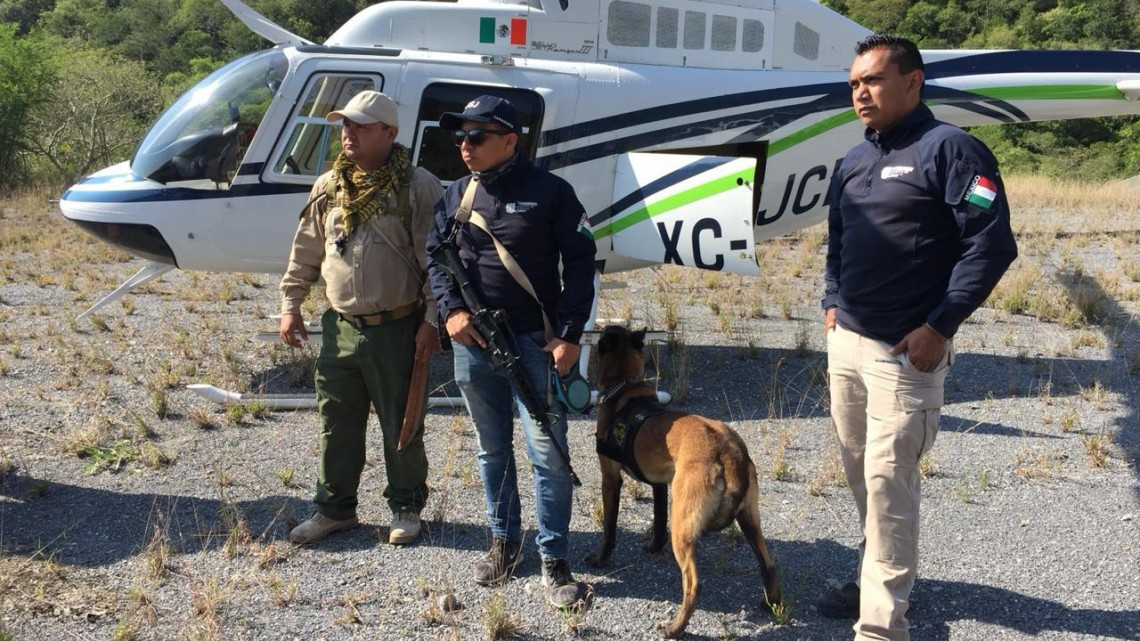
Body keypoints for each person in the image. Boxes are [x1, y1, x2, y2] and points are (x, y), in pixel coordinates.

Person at [819, 35, 1018, 640]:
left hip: (905, 353)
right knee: (862, 474)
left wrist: (940, 326)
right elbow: (838, 238)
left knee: (889, 483)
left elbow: (991, 245)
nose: (861, 93)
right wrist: (831, 301)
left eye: (873, 80)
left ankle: (882, 627)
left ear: (913, 81)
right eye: (855, 83)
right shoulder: (854, 160)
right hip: (849, 345)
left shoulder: (952, 149)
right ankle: (875, 573)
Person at [425, 96, 597, 608]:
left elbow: (581, 264)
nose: (465, 145)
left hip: (536, 344)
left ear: (509, 140)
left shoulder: (552, 192)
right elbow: (436, 257)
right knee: (491, 449)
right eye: (461, 136)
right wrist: (451, 311)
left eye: (477, 136)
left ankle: (554, 559)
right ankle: (505, 543)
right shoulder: (457, 194)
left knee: (548, 453)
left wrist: (569, 335)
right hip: (474, 344)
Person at [279, 90, 444, 547]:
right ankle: (335, 509)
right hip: (340, 326)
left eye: (361, 126)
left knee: (402, 422)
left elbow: (438, 261)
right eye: (345, 125)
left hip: (397, 327)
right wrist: (291, 305)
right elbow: (306, 250)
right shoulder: (329, 185)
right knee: (337, 421)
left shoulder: (417, 186)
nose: (348, 133)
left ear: (390, 133)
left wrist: (432, 320)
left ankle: (406, 507)